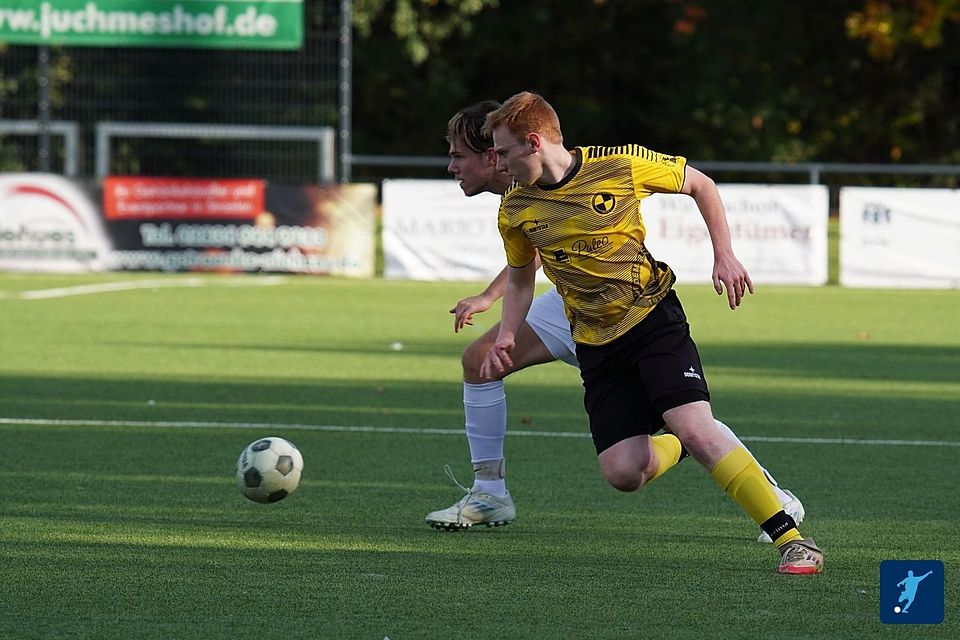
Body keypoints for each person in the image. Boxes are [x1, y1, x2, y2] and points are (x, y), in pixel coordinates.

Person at [425, 100, 806, 549]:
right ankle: (490, 493)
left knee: (690, 421)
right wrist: (495, 304)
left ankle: (776, 508)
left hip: (633, 307)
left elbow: (559, 237)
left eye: (458, 155)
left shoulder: (574, 166)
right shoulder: (516, 201)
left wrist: (724, 253)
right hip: (578, 310)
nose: (452, 166)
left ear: (496, 155)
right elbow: (535, 251)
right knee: (483, 365)